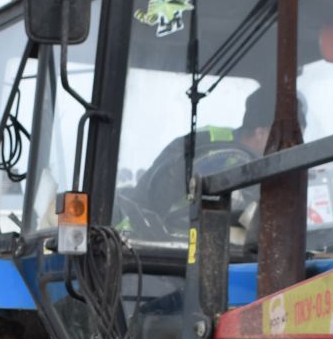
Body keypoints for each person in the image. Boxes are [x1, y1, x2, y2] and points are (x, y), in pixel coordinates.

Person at [122, 84, 303, 240]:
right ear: (261, 133)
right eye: (289, 140)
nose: (291, 149)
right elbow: (153, 199)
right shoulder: (212, 152)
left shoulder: (265, 168)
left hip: (207, 253)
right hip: (158, 252)